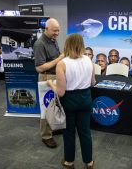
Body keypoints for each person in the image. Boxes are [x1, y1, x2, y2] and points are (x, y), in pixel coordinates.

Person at [47, 33, 95, 169]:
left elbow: (61, 92)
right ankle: (89, 162)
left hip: (69, 102)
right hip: (85, 99)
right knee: (85, 132)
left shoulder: (62, 64)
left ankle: (69, 162)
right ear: (81, 45)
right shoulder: (88, 60)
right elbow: (92, 82)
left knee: (68, 133)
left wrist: (51, 84)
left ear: (67, 44)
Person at [33, 18, 64, 148]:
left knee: (56, 106)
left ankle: (54, 127)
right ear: (46, 29)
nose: (57, 33)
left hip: (55, 76)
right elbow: (39, 68)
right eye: (54, 31)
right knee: (47, 108)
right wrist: (59, 59)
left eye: (58, 31)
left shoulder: (53, 39)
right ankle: (46, 136)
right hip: (46, 79)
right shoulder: (40, 44)